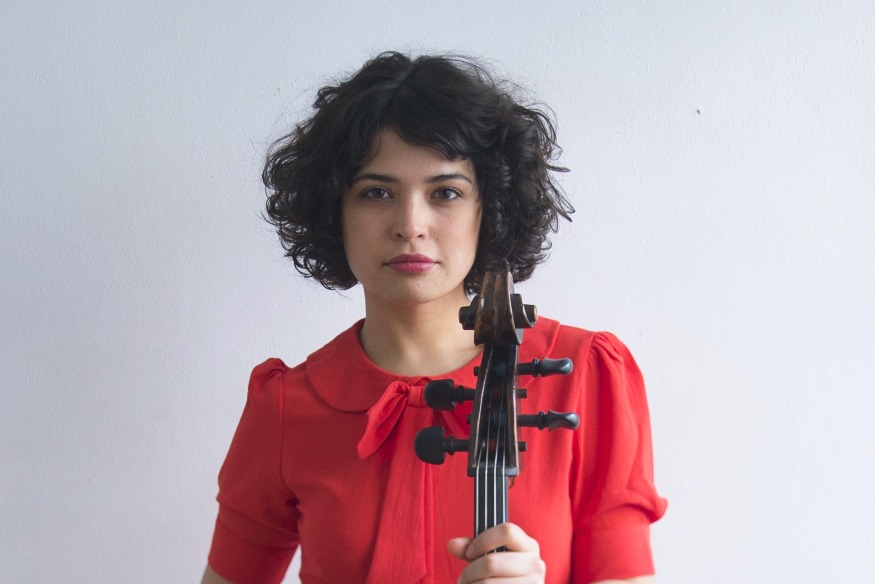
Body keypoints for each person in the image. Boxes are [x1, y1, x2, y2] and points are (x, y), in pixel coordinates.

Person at [201, 51, 667, 584]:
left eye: (446, 192)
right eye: (376, 193)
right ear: (335, 210)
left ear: (489, 209)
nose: (410, 224)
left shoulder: (582, 374)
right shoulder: (286, 406)